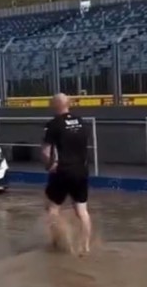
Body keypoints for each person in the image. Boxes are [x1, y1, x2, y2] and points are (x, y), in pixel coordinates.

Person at [41, 93, 92, 255]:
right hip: (81, 170)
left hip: (62, 171)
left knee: (53, 209)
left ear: (55, 105)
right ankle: (85, 247)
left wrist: (49, 165)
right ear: (68, 104)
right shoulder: (82, 122)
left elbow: (46, 151)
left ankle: (57, 243)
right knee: (82, 211)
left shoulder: (53, 124)